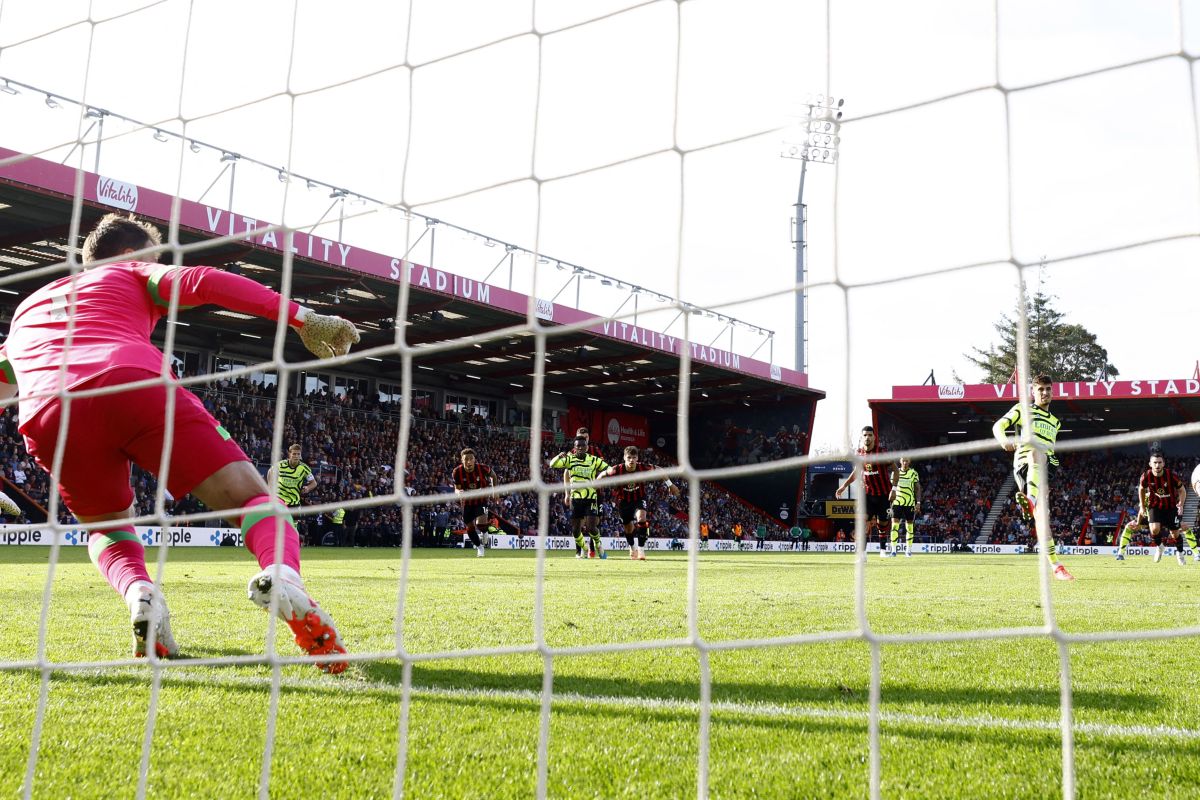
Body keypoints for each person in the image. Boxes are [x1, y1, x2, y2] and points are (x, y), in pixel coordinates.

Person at [0, 212, 359, 670]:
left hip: (49, 414)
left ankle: (140, 593)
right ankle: (282, 576)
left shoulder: (28, 308)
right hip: (132, 381)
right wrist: (302, 318)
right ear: (132, 254)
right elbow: (203, 281)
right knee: (252, 498)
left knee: (107, 527)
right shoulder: (129, 270)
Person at [992, 374, 1074, 581]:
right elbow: (998, 426)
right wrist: (1003, 440)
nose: (1045, 393)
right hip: (1024, 463)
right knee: (1035, 452)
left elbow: (1051, 450)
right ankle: (1029, 499)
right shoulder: (1023, 409)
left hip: (1045, 467)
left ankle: (1057, 566)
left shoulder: (1055, 422)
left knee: (1042, 518)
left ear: (1052, 392)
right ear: (1033, 392)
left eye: (1048, 389)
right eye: (1040, 389)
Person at [1115, 450, 1199, 564]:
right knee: (1133, 526)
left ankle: (1189, 554)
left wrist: (1181, 504)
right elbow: (1141, 495)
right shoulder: (1146, 479)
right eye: (1155, 462)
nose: (1157, 465)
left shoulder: (1171, 476)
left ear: (1163, 463)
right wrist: (1139, 520)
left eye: (1160, 462)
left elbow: (1182, 490)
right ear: (1150, 464)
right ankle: (1121, 553)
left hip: (1170, 509)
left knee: (1181, 529)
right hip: (1154, 510)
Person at [601, 445, 679, 560]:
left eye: (634, 457)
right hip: (623, 501)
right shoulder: (616, 469)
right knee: (628, 528)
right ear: (624, 458)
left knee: (642, 519)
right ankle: (633, 547)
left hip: (639, 498)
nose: (631, 460)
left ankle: (641, 550)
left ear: (637, 458)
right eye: (629, 458)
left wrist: (670, 484)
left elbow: (660, 470)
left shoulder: (643, 467)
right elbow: (602, 474)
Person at [835, 426, 893, 557]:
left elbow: (894, 468)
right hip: (867, 494)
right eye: (865, 435)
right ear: (861, 437)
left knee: (882, 523)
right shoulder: (859, 453)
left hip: (883, 494)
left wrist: (894, 488)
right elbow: (856, 472)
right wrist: (844, 486)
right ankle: (862, 553)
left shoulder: (882, 453)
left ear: (874, 437)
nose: (867, 437)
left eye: (870, 435)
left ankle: (883, 550)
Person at [550, 436, 610, 559]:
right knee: (576, 530)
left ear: (587, 447)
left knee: (591, 527)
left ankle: (599, 546)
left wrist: (601, 477)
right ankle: (584, 548)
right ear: (575, 448)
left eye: (583, 446)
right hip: (576, 498)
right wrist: (559, 456)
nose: (581, 448)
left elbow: (608, 469)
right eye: (578, 446)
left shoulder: (594, 460)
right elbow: (552, 464)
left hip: (591, 498)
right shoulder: (569, 459)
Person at [266, 444, 317, 542]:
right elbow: (270, 472)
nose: (296, 456)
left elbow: (314, 483)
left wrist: (308, 488)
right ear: (289, 454)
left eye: (298, 454)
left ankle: (293, 546)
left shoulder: (304, 468)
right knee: (277, 526)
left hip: (294, 503)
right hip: (279, 501)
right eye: (294, 454)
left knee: (293, 528)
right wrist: (270, 486)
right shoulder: (280, 465)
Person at [451, 448, 495, 558]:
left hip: (481, 499)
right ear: (462, 460)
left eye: (471, 459)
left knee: (480, 524)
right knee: (469, 528)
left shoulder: (482, 468)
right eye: (466, 459)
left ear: (475, 459)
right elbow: (457, 488)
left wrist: (495, 490)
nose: (469, 462)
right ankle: (480, 548)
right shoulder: (457, 472)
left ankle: (484, 532)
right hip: (467, 502)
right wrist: (458, 493)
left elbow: (493, 475)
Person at [887, 457, 921, 557]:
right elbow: (891, 488)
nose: (905, 462)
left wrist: (918, 502)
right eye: (903, 461)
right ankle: (893, 551)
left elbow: (917, 488)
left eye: (907, 461)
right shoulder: (895, 473)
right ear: (900, 461)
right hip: (897, 503)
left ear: (909, 461)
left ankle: (908, 551)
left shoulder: (913, 473)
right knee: (894, 526)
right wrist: (889, 502)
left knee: (909, 527)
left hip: (909, 503)